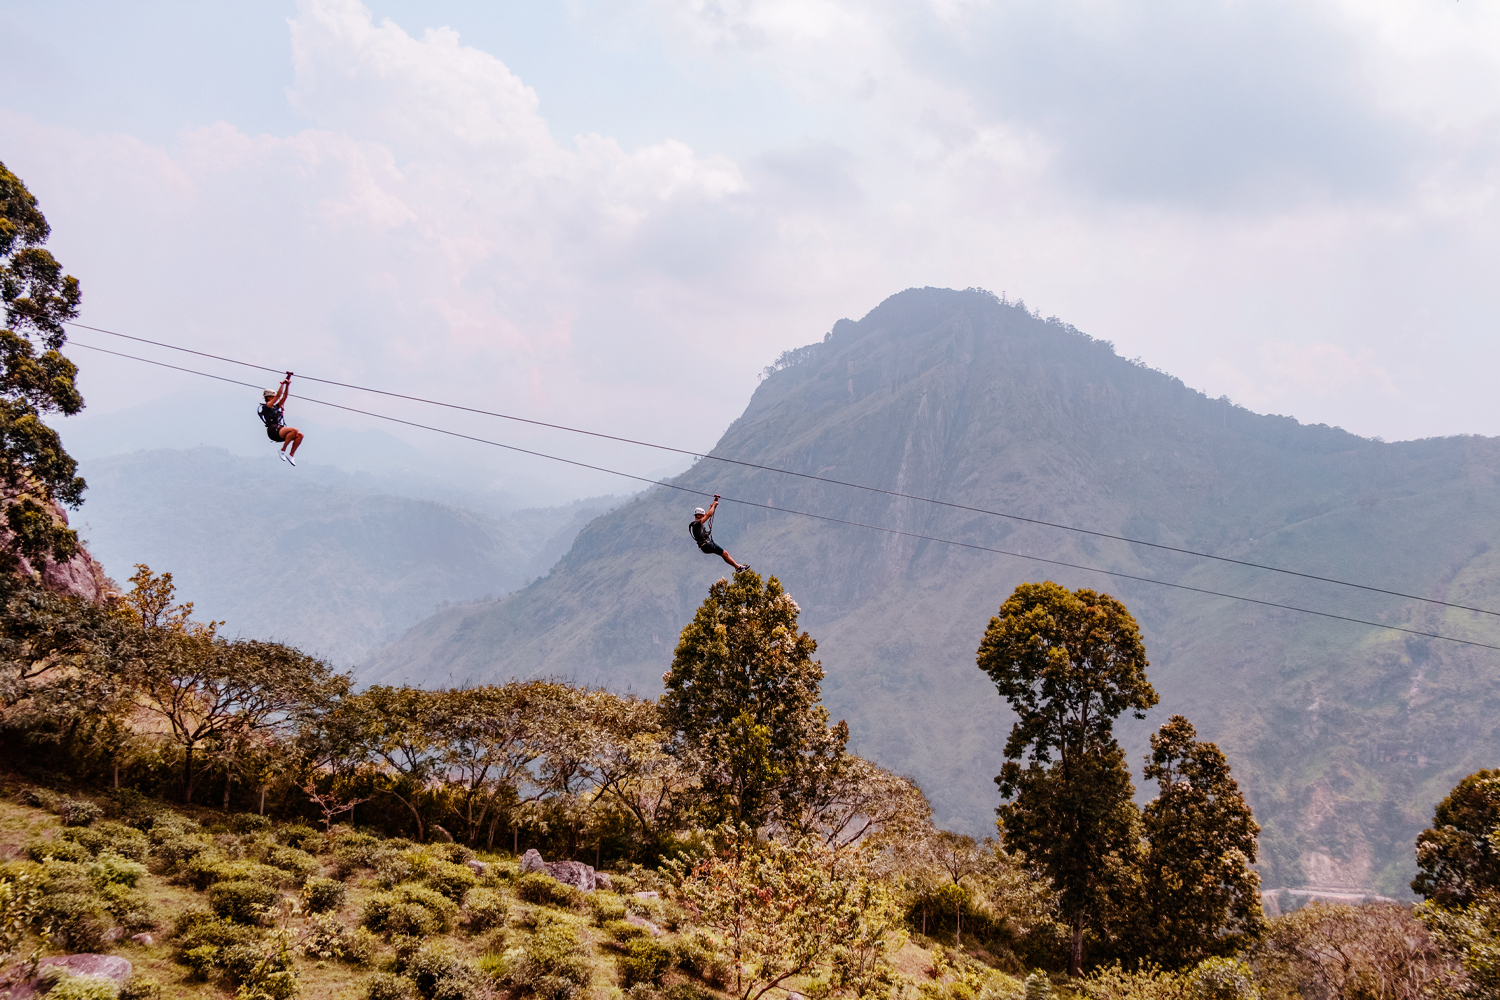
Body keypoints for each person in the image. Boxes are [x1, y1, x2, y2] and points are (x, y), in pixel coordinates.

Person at [690, 495, 746, 571]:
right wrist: (714, 504)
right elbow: (708, 514)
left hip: (706, 546)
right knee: (725, 553)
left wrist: (714, 503)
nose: (703, 517)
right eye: (702, 515)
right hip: (707, 545)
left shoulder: (697, 524)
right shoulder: (696, 524)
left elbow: (708, 513)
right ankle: (738, 567)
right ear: (699, 515)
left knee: (724, 554)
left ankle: (737, 567)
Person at [258, 373, 304, 466]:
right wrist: (282, 384)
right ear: (269, 397)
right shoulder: (267, 406)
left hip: (279, 429)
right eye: (273, 396)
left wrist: (287, 385)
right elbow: (279, 396)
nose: (274, 398)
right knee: (294, 430)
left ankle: (291, 455)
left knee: (300, 435)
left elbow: (284, 397)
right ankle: (282, 450)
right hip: (273, 431)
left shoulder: (275, 407)